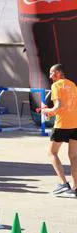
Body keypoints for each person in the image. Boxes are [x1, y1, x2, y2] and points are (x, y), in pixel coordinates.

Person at [40, 64, 77, 196]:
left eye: (51, 73)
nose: (50, 76)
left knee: (51, 153)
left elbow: (58, 106)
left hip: (62, 125)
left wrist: (46, 111)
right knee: (73, 156)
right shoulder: (72, 85)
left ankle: (63, 184)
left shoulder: (56, 86)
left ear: (58, 72)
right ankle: (76, 187)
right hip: (75, 123)